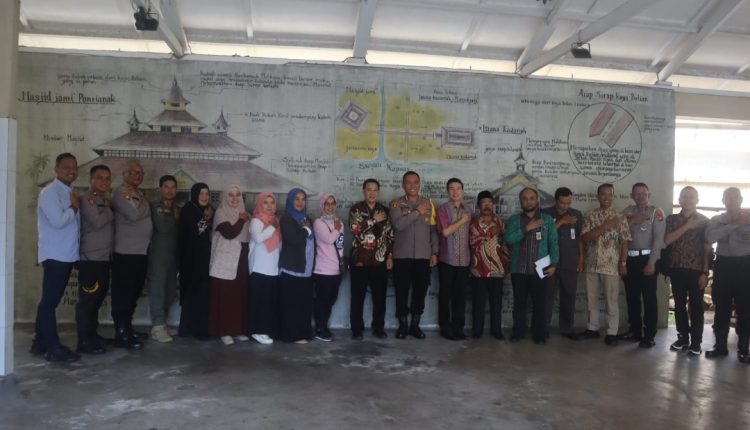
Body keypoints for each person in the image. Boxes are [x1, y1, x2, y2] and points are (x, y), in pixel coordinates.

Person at [31, 153, 81, 362]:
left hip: (66, 254)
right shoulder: (49, 192)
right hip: (55, 255)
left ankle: (40, 343)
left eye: (74, 167)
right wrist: (74, 208)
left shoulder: (68, 191)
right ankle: (53, 348)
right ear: (56, 169)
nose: (71, 171)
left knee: (49, 300)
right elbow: (58, 221)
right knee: (50, 303)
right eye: (66, 167)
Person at [505, 187, 559, 345]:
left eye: (531, 198)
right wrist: (527, 228)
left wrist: (554, 264)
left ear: (537, 200)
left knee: (540, 304)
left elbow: (553, 243)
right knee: (519, 303)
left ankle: (539, 334)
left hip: (541, 270)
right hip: (519, 269)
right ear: (520, 201)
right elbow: (508, 239)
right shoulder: (514, 220)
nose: (528, 201)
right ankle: (518, 332)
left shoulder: (547, 220)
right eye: (525, 198)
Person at [580, 183, 631, 346]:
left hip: (612, 266)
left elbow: (625, 242)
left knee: (611, 301)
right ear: (598, 196)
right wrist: (605, 226)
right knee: (591, 299)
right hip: (591, 264)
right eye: (603, 194)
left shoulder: (620, 217)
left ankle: (611, 332)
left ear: (613, 196)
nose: (606, 198)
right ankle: (592, 328)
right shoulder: (590, 215)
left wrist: (623, 263)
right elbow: (585, 238)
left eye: (610, 194)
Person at [390, 171, 439, 339]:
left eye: (415, 182)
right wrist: (417, 212)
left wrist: (434, 252)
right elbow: (399, 224)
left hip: (423, 257)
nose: (412, 185)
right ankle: (403, 325)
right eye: (408, 182)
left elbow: (433, 230)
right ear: (403, 185)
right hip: (401, 256)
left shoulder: (429, 204)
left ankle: (415, 325)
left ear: (419, 184)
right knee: (401, 292)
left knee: (420, 292)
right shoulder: (396, 204)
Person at [704, 187, 750, 363]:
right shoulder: (717, 220)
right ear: (723, 201)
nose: (732, 201)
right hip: (723, 266)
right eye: (728, 198)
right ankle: (720, 346)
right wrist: (734, 225)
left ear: (741, 199)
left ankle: (744, 349)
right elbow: (710, 237)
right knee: (721, 306)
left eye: (735, 198)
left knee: (745, 307)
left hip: (745, 267)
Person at [664, 186, 710, 356]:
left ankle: (696, 342)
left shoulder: (705, 221)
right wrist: (689, 225)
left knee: (696, 306)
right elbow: (668, 240)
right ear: (679, 200)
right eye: (684, 196)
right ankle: (683, 337)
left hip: (697, 270)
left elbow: (707, 249)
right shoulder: (672, 219)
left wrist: (705, 272)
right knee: (679, 305)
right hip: (676, 268)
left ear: (697, 200)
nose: (687, 200)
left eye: (691, 197)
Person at [110, 159, 151, 349]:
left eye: (140, 173)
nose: (137, 176)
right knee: (123, 295)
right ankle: (120, 332)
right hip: (126, 252)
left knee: (134, 293)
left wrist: (141, 202)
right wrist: (145, 203)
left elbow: (139, 212)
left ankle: (127, 327)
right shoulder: (120, 193)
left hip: (140, 252)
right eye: (133, 172)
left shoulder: (137, 194)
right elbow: (133, 215)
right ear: (124, 174)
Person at [620, 182, 666, 348]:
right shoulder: (627, 211)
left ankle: (649, 335)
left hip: (647, 260)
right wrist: (634, 220)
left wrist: (652, 263)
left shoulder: (656, 212)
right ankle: (635, 331)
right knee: (632, 298)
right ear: (632, 195)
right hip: (630, 260)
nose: (640, 196)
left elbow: (658, 240)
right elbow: (619, 231)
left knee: (649, 299)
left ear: (649, 195)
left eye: (643, 193)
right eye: (637, 193)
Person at [75, 164, 114, 355]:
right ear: (91, 180)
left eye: (107, 178)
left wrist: (105, 205)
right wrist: (107, 207)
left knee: (97, 300)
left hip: (103, 258)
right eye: (100, 177)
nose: (104, 181)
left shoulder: (102, 200)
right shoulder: (88, 198)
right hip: (90, 259)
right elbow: (97, 222)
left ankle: (92, 335)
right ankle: (84, 341)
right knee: (87, 302)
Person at [349, 179, 393, 340]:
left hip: (379, 261)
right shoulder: (356, 209)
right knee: (357, 297)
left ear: (378, 192)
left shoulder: (385, 211)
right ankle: (357, 329)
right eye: (369, 189)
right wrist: (374, 220)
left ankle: (378, 328)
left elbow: (390, 236)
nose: (372, 193)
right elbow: (355, 230)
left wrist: (390, 255)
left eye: (375, 190)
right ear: (364, 191)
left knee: (379, 297)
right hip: (359, 261)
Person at [209, 185, 251, 345]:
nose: (235, 198)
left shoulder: (244, 212)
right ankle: (224, 331)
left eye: (238, 195)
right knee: (226, 296)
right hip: (225, 260)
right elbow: (229, 233)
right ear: (225, 197)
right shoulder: (221, 212)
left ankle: (237, 330)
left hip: (241, 259)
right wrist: (242, 219)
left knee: (239, 296)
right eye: (231, 195)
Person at [542, 187, 584, 340]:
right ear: (556, 200)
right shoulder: (545, 213)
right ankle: (543, 328)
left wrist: (581, 258)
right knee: (546, 296)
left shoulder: (576, 214)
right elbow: (541, 235)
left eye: (568, 203)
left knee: (569, 296)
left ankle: (567, 328)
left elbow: (579, 238)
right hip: (549, 263)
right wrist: (560, 222)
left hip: (570, 262)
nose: (566, 206)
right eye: (562, 203)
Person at [436, 178, 473, 340]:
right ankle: (445, 328)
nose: (455, 192)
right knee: (445, 295)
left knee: (460, 296)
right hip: (447, 260)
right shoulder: (443, 209)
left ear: (462, 191)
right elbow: (445, 232)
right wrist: (462, 220)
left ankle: (459, 328)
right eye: (452, 188)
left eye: (458, 188)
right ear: (447, 191)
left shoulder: (470, 210)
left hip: (464, 260)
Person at [468, 190, 508, 340]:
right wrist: (491, 233)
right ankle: (477, 331)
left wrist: (506, 265)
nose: (487, 205)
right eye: (484, 203)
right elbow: (472, 242)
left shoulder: (500, 222)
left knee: (496, 302)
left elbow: (506, 244)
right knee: (478, 302)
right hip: (478, 269)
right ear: (479, 205)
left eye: (490, 203)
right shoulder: (473, 223)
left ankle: (496, 330)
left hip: (497, 269)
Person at [278, 188, 315, 343]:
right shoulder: (286, 218)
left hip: (305, 269)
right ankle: (291, 335)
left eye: (303, 199)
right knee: (292, 304)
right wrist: (306, 229)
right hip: (292, 268)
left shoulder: (306, 218)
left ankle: (302, 333)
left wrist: (307, 228)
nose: (300, 202)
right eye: (296, 199)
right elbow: (293, 239)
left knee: (303, 304)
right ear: (290, 201)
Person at [178, 183, 214, 340]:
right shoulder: (188, 210)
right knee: (192, 293)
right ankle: (193, 329)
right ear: (194, 195)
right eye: (201, 194)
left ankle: (196, 328)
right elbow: (195, 232)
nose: (204, 197)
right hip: (191, 261)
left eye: (207, 193)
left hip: (203, 259)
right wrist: (206, 219)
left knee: (201, 294)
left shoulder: (206, 209)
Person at [146, 175, 180, 343]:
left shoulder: (176, 208)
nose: (169, 190)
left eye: (173, 187)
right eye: (166, 187)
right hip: (159, 256)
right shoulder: (157, 207)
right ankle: (157, 326)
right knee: (157, 290)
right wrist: (173, 215)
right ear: (160, 189)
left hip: (173, 256)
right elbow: (163, 226)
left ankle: (163, 323)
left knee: (170, 290)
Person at [248, 192, 281, 345]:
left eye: (272, 202)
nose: (269, 206)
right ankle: (256, 331)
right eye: (265, 202)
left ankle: (265, 330)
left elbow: (279, 245)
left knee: (268, 302)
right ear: (260, 204)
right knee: (259, 302)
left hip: (272, 269)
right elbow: (258, 238)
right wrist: (272, 227)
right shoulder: (256, 220)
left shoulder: (276, 220)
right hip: (259, 268)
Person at [312, 193, 345, 341]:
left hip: (336, 269)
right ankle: (320, 328)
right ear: (322, 206)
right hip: (323, 269)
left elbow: (340, 244)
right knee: (322, 300)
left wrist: (341, 261)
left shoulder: (339, 222)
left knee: (331, 300)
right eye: (327, 204)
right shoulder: (318, 222)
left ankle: (323, 326)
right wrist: (337, 229)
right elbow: (328, 239)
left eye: (333, 203)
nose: (330, 207)